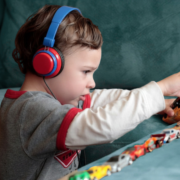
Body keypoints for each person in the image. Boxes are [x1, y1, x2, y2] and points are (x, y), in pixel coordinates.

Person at [0, 4, 179, 180]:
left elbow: (98, 100)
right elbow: (104, 126)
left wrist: (158, 102)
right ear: (47, 64)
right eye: (86, 71)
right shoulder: (30, 111)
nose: (92, 82)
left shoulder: (58, 100)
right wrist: (162, 88)